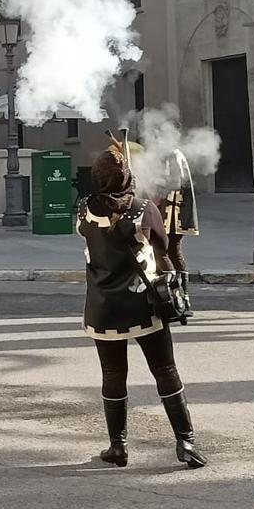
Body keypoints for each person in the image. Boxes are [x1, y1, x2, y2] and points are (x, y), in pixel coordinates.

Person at [76, 135, 206, 470]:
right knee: (165, 370)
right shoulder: (142, 210)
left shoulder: (83, 211)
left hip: (102, 307)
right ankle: (185, 441)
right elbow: (164, 245)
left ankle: (117, 446)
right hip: (141, 302)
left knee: (113, 375)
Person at [159, 149, 199, 317]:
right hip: (173, 210)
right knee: (172, 252)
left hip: (172, 211)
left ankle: (176, 298)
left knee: (163, 251)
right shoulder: (173, 154)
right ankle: (180, 298)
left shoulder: (172, 155)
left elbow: (173, 182)